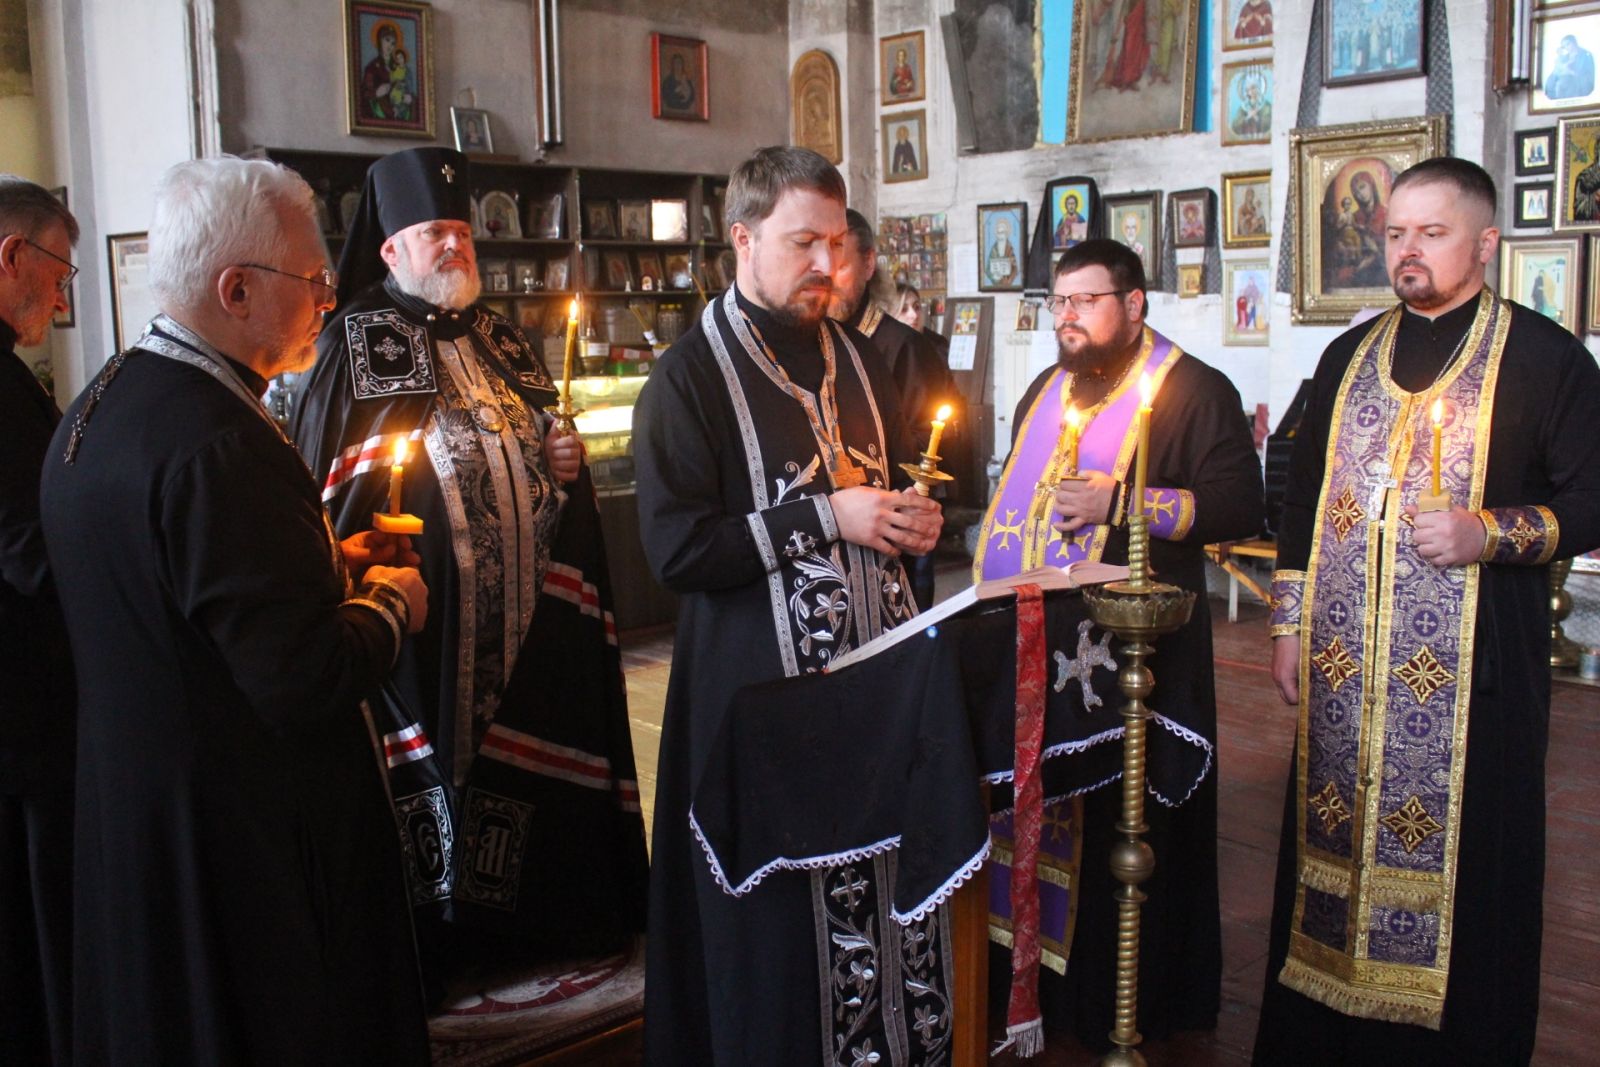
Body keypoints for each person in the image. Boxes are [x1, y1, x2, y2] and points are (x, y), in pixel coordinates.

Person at [40, 156, 431, 1064]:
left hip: (137, 812)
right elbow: (301, 678)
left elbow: (190, 598)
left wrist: (326, 565)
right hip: (236, 842)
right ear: (238, 289)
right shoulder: (220, 442)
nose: (327, 300)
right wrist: (387, 601)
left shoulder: (102, 401)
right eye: (313, 279)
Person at [1254, 158, 1600, 1066]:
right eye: (1396, 233)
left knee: (1474, 865)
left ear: (1485, 242)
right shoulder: (1347, 358)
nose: (1407, 250)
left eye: (1432, 233)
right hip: (1340, 673)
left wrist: (1489, 532)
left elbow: (1593, 500)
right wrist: (1288, 625)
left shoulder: (1545, 358)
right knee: (1327, 846)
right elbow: (1298, 503)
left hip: (1478, 676)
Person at [290, 147, 648, 998]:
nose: (454, 245)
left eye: (461, 230)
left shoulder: (501, 337)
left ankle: (542, 925)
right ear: (390, 249)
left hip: (533, 624)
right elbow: (334, 489)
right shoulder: (356, 343)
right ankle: (443, 948)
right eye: (433, 233)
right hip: (427, 623)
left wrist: (563, 459)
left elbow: (550, 445)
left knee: (533, 765)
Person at [635, 145, 943, 1065]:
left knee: (884, 888)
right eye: (803, 242)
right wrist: (828, 516)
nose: (828, 265)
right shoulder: (687, 377)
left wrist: (910, 521)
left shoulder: (860, 354)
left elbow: (879, 493)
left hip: (874, 693)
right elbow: (677, 551)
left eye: (838, 244)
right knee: (777, 937)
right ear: (743, 239)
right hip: (759, 703)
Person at [974, 238, 1263, 1050]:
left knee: (1121, 826)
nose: (1067, 317)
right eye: (1058, 301)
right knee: (1037, 811)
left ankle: (1122, 999)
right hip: (1040, 651)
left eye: (1085, 301)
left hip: (1138, 659)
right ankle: (1035, 993)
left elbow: (1240, 503)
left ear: (1134, 305)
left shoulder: (1193, 389)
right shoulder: (1046, 389)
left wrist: (1127, 500)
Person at [0, 177, 77, 1065]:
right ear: (12, 255)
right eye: (56, 274)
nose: (60, 300)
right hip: (22, 716)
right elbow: (32, 551)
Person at [829, 208, 956, 609]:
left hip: (897, 519)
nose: (826, 277)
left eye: (840, 266)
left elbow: (929, 439)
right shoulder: (814, 344)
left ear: (868, 264)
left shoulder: (904, 346)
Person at [362, 20, 401, 119]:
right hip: (380, 107)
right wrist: (376, 92)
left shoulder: (398, 67)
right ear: (380, 40)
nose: (390, 46)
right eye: (387, 40)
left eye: (393, 43)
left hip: (397, 106)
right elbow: (365, 93)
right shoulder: (372, 67)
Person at [1544, 33, 1595, 100]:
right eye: (1564, 46)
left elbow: (1588, 74)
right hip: (1563, 84)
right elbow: (1557, 71)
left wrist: (1572, 73)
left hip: (1578, 84)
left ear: (1574, 42)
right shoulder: (1565, 57)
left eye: (1568, 44)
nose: (1567, 48)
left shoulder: (1586, 55)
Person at [987, 216, 1021, 286]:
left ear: (1006, 234)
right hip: (996, 280)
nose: (1001, 235)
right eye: (999, 232)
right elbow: (988, 269)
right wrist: (994, 276)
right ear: (996, 234)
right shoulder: (994, 249)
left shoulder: (1009, 248)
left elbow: (1015, 268)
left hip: (1007, 280)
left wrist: (1008, 277)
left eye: (1003, 232)